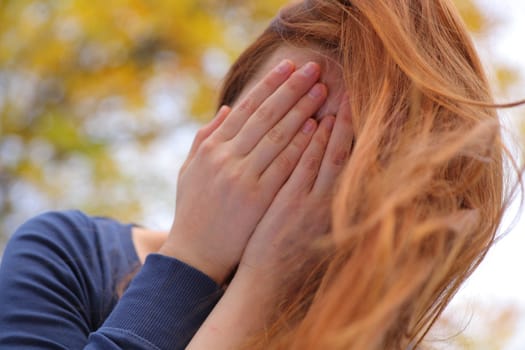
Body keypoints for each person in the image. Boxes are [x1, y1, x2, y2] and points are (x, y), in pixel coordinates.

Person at [0, 1, 522, 350]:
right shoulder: (68, 257)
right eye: (275, 131)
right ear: (216, 132)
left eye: (339, 159)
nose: (297, 187)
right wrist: (197, 263)